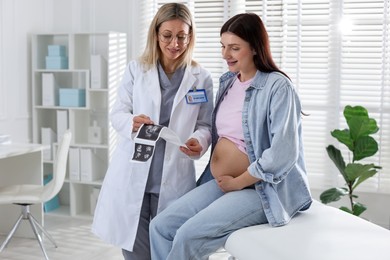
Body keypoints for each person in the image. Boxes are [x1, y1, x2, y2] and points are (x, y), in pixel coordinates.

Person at [149, 13, 312, 260]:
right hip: (223, 183)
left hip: (259, 188)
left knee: (187, 236)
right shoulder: (228, 82)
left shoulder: (277, 87)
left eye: (235, 48)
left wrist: (239, 182)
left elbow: (283, 153)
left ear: (256, 48)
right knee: (160, 227)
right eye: (223, 47)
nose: (226, 55)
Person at [91, 3, 213, 260]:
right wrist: (132, 123)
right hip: (135, 175)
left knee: (168, 251)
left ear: (190, 36)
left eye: (182, 36)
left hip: (174, 177)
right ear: (155, 34)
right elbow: (117, 114)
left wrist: (198, 141)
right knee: (135, 253)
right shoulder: (137, 70)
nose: (175, 43)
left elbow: (206, 125)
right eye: (167, 35)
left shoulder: (201, 77)